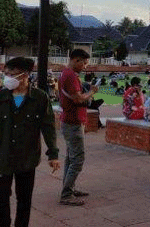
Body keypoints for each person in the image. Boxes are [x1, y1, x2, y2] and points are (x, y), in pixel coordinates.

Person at [0, 57, 60, 227]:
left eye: (13, 74)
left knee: (24, 200)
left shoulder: (40, 98)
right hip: (1, 157)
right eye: (6, 74)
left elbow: (48, 127)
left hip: (27, 157)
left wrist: (53, 154)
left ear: (26, 76)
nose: (7, 78)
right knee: (0, 198)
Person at [58, 49, 98, 206]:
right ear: (76, 60)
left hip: (70, 120)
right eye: (84, 63)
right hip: (73, 122)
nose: (84, 67)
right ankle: (66, 194)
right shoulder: (70, 76)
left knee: (71, 158)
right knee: (77, 159)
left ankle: (69, 188)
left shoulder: (66, 74)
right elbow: (78, 99)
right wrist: (92, 92)